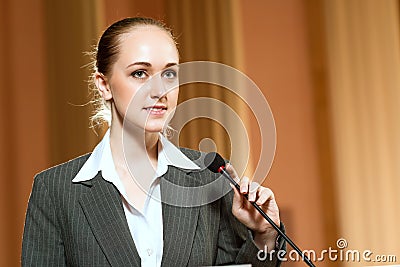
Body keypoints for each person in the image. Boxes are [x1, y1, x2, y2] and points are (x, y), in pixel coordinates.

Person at [22, 17, 285, 267]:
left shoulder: (210, 177)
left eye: (169, 74)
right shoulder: (55, 191)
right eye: (139, 73)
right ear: (104, 85)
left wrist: (264, 235)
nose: (160, 91)